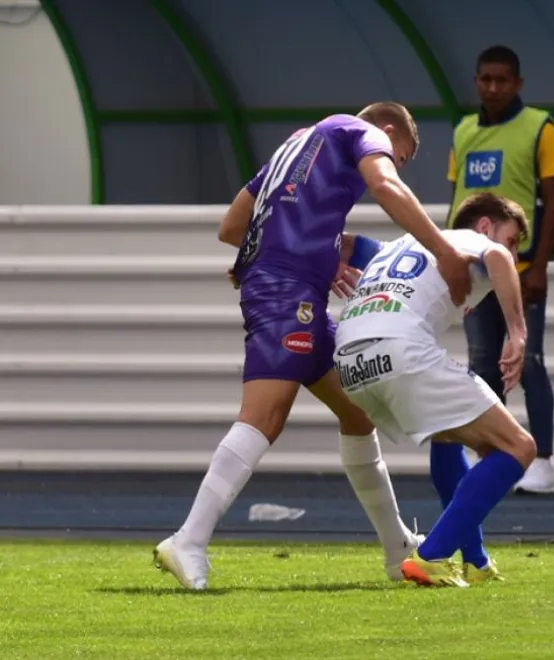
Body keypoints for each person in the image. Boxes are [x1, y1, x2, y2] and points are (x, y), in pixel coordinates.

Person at [153, 102, 475, 590]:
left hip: (296, 291)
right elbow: (387, 187)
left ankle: (397, 550)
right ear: (388, 131)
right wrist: (445, 250)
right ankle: (188, 540)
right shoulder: (363, 133)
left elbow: (232, 227)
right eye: (401, 156)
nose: (394, 165)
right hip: (288, 293)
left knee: (357, 413)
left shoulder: (298, 144)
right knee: (264, 415)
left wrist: (317, 253)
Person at [333, 192, 536, 587]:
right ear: (485, 226)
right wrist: (518, 333)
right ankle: (430, 556)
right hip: (399, 348)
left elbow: (343, 243)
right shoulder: (469, 241)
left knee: (448, 437)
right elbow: (497, 257)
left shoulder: (398, 245)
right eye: (512, 239)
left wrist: (325, 265)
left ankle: (476, 562)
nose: (513, 254)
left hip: (350, 363)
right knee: (519, 447)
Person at [446, 45, 554, 495]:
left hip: (521, 268)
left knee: (528, 361)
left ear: (517, 83)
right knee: (481, 364)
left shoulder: (540, 126)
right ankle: (491, 456)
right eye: (485, 79)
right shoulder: (463, 131)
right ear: (476, 82)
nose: (493, 87)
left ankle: (544, 463)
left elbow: (553, 200)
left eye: (502, 80)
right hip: (473, 272)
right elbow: (457, 200)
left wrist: (541, 266)